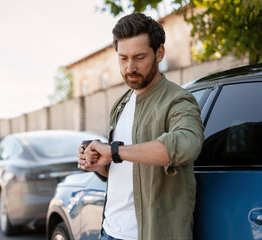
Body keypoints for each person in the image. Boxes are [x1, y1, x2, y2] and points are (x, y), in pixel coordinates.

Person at [78, 12, 204, 240]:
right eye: (123, 58)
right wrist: (99, 164)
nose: (130, 68)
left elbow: (188, 144)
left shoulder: (177, 100)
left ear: (159, 53)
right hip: (109, 231)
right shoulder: (121, 103)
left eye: (139, 57)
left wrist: (115, 151)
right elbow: (125, 171)